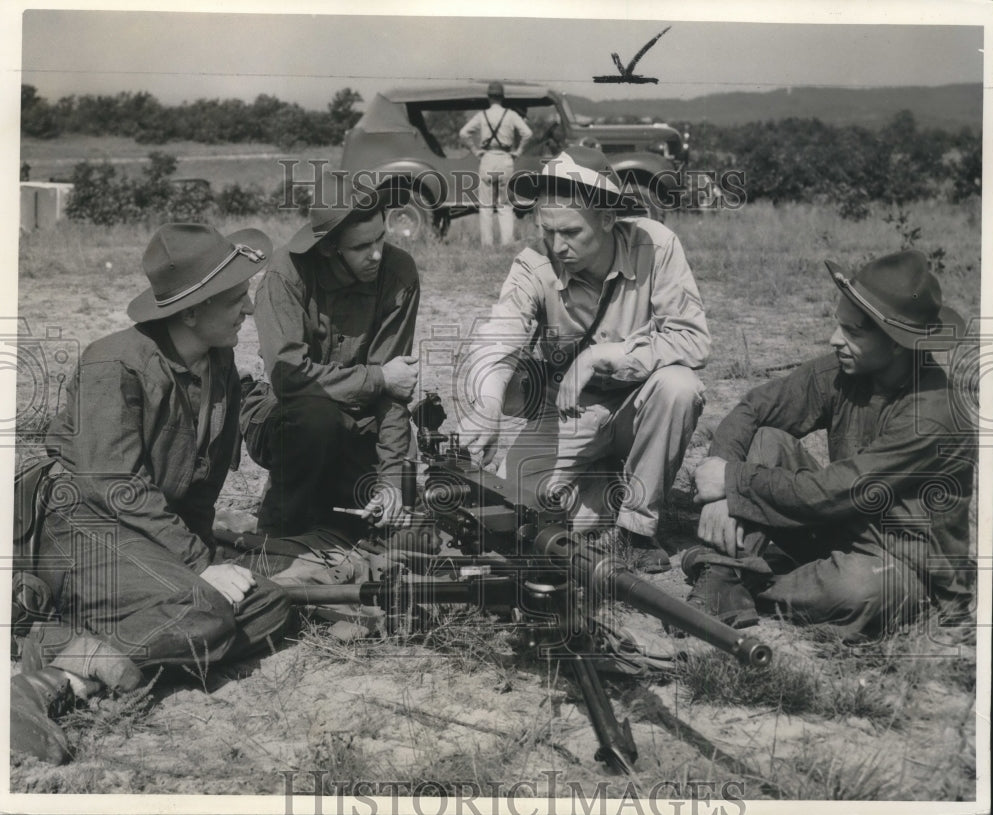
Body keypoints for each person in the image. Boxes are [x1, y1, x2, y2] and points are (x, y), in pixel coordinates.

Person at [13, 223, 294, 762]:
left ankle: (87, 661)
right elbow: (113, 487)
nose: (250, 310)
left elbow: (195, 495)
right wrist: (197, 564)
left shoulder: (219, 366)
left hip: (141, 539)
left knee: (269, 603)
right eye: (236, 299)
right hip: (77, 534)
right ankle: (45, 656)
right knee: (205, 611)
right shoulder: (115, 362)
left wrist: (205, 559)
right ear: (189, 311)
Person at [684, 249, 975, 639]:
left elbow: (840, 490)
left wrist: (733, 482)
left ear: (896, 343)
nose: (835, 340)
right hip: (837, 526)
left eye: (853, 332)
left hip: (902, 561)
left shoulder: (935, 415)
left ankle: (738, 579)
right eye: (839, 325)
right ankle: (726, 576)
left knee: (857, 590)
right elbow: (754, 409)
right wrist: (719, 481)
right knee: (767, 437)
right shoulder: (844, 371)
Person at [462, 147, 710, 569]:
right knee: (519, 513)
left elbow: (692, 340)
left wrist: (603, 355)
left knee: (679, 387)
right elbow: (497, 338)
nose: (558, 245)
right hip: (569, 411)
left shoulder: (657, 244)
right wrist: (486, 407)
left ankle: (636, 529)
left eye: (572, 232)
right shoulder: (532, 264)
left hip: (640, 409)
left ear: (609, 219)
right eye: (548, 230)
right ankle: (608, 486)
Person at [240, 179, 420, 538]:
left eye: (380, 239)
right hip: (286, 416)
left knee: (403, 529)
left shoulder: (399, 274)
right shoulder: (285, 274)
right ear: (328, 249)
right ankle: (279, 529)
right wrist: (378, 378)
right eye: (361, 247)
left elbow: (397, 385)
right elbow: (290, 379)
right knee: (316, 419)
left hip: (360, 420)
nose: (376, 255)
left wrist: (391, 481)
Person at [459, 80, 533, 247]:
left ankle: (487, 245)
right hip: (505, 159)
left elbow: (463, 133)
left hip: (487, 158)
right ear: (502, 97)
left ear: (489, 97)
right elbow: (527, 133)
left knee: (485, 206)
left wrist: (475, 150)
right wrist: (519, 151)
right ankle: (507, 243)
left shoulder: (482, 116)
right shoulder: (511, 115)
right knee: (505, 206)